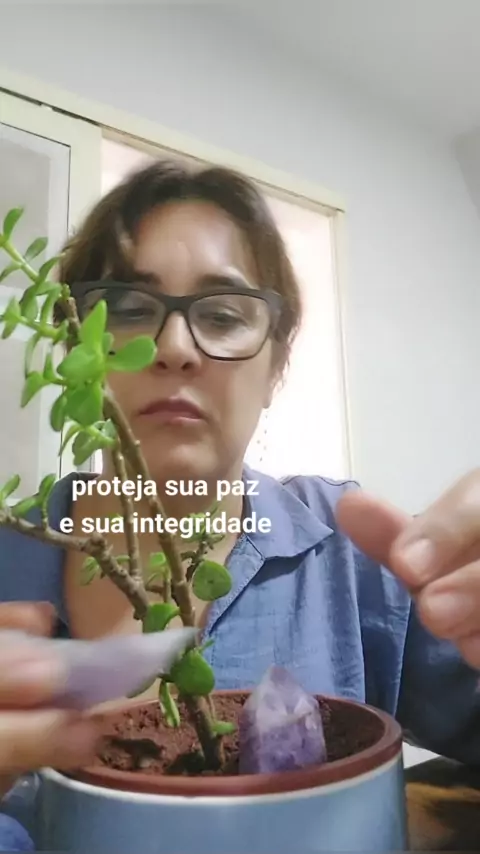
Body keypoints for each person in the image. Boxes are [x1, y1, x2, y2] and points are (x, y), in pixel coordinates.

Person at [1, 158, 480, 836]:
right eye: (129, 309)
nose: (174, 348)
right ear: (75, 342)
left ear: (276, 365)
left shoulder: (352, 556)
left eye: (223, 315)